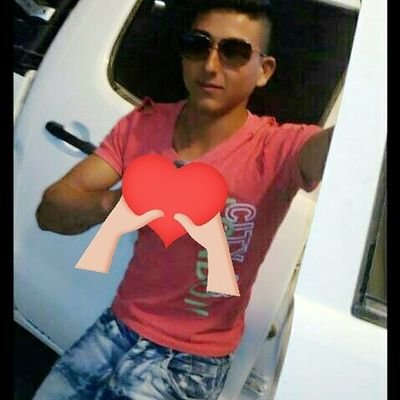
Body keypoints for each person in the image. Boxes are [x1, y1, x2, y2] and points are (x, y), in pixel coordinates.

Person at [33, 0, 333, 399]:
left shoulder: (278, 149)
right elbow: (50, 212)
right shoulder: (143, 126)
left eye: (234, 51)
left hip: (188, 364)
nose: (210, 65)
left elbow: (347, 149)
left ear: (264, 70)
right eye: (198, 45)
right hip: (116, 328)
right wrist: (123, 203)